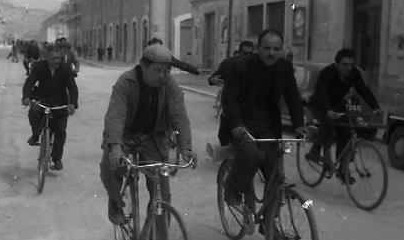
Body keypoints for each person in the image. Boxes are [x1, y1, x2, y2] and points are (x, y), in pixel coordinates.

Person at [100, 44, 197, 224]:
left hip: (153, 137)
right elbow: (116, 115)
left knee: (161, 189)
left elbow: (177, 119)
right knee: (111, 165)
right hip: (125, 135)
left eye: (167, 70)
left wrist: (185, 147)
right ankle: (115, 200)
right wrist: (115, 145)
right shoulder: (126, 82)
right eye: (158, 70)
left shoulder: (169, 85)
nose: (163, 75)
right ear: (144, 67)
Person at [220, 29, 306, 208]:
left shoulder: (284, 67)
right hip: (242, 125)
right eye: (267, 48)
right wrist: (236, 125)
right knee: (252, 155)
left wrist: (299, 125)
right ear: (258, 48)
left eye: (276, 49)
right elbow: (229, 98)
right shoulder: (240, 66)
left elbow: (292, 96)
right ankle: (232, 187)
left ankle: (270, 225)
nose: (271, 53)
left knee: (275, 173)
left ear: (281, 50)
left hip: (268, 127)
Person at [306, 48, 381, 182]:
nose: (349, 68)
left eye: (351, 65)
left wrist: (375, 107)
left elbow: (363, 91)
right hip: (320, 104)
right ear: (337, 64)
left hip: (338, 106)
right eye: (345, 65)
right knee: (328, 124)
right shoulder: (326, 73)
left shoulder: (354, 74)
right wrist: (328, 110)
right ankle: (315, 150)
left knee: (346, 131)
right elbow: (322, 93)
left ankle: (342, 170)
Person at [22, 44, 78, 171]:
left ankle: (57, 159)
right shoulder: (39, 67)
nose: (56, 61)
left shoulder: (66, 68)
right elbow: (29, 82)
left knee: (60, 131)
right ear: (47, 57)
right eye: (53, 58)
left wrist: (73, 104)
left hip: (60, 101)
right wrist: (26, 97)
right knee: (34, 111)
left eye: (58, 58)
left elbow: (72, 87)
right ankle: (36, 134)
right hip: (43, 98)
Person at [208, 40, 255, 109]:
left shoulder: (257, 66)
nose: (248, 56)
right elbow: (212, 78)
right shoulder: (229, 63)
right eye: (245, 53)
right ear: (240, 53)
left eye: (250, 54)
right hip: (232, 104)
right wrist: (213, 80)